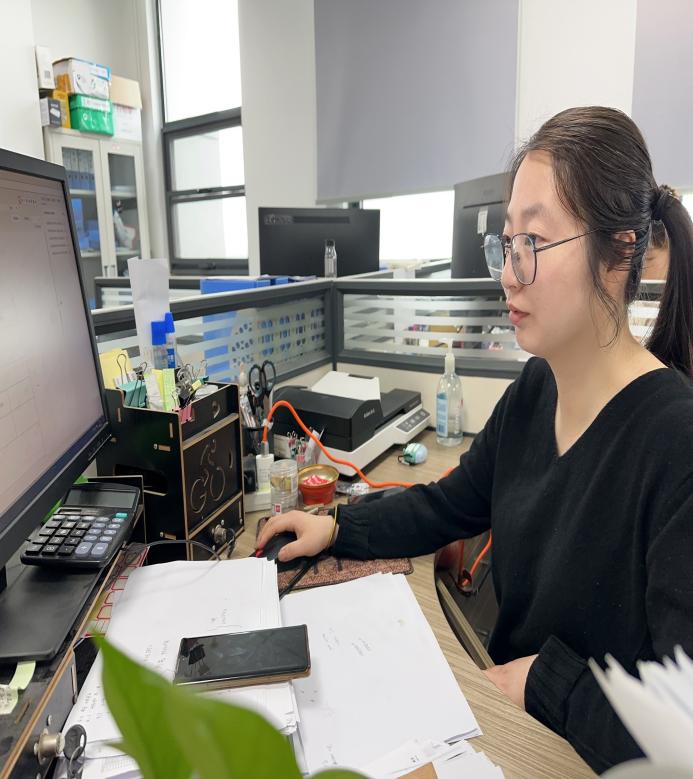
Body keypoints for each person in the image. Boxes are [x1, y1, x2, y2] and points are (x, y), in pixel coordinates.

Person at [256, 106, 693, 773]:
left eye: (533, 243)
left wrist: (545, 682)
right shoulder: (534, 392)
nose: (508, 274)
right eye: (507, 243)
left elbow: (681, 730)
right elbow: (447, 505)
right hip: (508, 733)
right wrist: (338, 527)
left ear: (619, 254)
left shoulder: (675, 442)